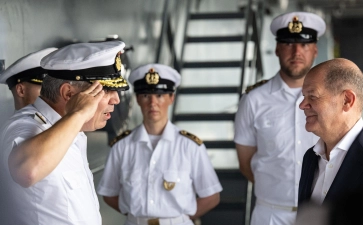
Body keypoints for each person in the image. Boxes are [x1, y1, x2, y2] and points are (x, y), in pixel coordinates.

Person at [0, 41, 129, 225]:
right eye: (106, 90)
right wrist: (78, 113)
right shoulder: (24, 125)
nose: (116, 99)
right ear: (69, 94)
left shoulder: (71, 129)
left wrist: (76, 118)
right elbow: (27, 171)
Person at [97, 64, 222, 225]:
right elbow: (109, 193)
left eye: (160, 95)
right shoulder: (122, 146)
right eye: (146, 96)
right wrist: (137, 214)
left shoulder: (190, 146)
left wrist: (179, 219)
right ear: (137, 99)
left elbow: (211, 196)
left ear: (171, 98)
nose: (153, 103)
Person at [234, 12, 325, 225]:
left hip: (320, 211)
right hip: (270, 215)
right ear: (277, 49)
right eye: (288, 43)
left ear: (315, 50)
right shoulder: (253, 100)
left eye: (304, 45)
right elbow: (246, 162)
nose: (296, 51)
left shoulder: (330, 99)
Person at [297, 58, 363, 208]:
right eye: (304, 96)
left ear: (347, 100)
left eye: (312, 96)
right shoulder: (310, 158)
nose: (302, 105)